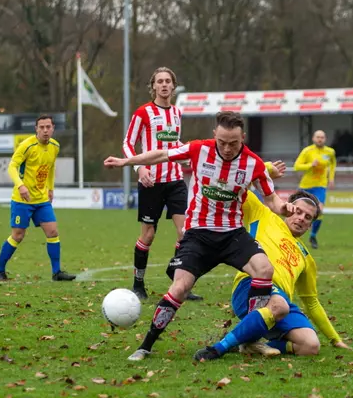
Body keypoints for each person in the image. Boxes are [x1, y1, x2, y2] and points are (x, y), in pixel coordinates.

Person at [104, 111, 295, 361]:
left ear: (243, 138)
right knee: (180, 287)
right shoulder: (198, 149)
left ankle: (250, 339)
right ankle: (146, 345)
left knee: (264, 270)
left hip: (232, 234)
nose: (227, 148)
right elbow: (161, 154)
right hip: (198, 235)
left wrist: (283, 208)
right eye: (222, 142)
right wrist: (126, 162)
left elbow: (270, 197)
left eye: (234, 143)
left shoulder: (253, 164)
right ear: (214, 135)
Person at [193, 184, 352, 362]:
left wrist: (335, 339)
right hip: (251, 285)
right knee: (280, 305)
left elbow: (311, 302)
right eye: (298, 211)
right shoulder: (264, 215)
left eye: (307, 217)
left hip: (281, 301)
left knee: (310, 345)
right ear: (288, 207)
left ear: (310, 226)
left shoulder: (306, 257)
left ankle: (247, 344)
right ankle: (218, 348)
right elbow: (239, 187)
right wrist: (267, 171)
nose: (301, 218)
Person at [122, 67, 201, 301]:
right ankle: (138, 283)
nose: (164, 85)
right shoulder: (143, 112)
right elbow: (128, 143)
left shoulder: (177, 112)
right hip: (151, 183)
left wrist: (190, 153)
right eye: (160, 81)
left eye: (168, 81)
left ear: (173, 87)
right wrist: (140, 167)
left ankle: (178, 281)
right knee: (148, 235)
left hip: (175, 180)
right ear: (153, 86)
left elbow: (175, 143)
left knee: (185, 232)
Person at [0, 115, 76, 281]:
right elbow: (12, 167)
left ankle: (56, 272)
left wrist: (50, 188)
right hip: (22, 200)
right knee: (18, 235)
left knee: (52, 231)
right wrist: (21, 186)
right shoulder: (27, 146)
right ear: (36, 129)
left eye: (48, 127)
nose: (45, 130)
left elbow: (51, 168)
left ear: (53, 128)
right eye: (41, 127)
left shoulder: (55, 146)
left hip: (41, 199)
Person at [293, 130, 336, 249]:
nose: (320, 139)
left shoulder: (330, 152)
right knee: (297, 211)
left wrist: (331, 178)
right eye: (318, 137)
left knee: (320, 210)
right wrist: (310, 165)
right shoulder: (307, 151)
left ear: (325, 139)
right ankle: (293, 235)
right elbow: (297, 166)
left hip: (320, 186)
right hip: (306, 186)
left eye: (322, 137)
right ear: (313, 138)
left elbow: (332, 164)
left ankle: (313, 235)